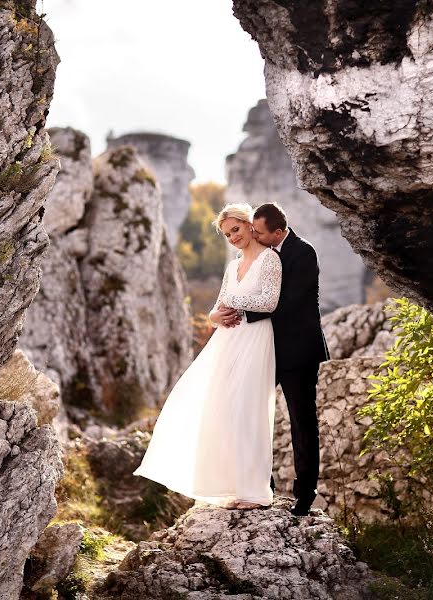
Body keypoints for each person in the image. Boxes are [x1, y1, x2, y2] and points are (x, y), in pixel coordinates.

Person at [133, 203, 282, 510]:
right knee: (221, 408)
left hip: (256, 338)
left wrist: (232, 300)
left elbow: (268, 303)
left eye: (236, 230)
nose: (233, 238)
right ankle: (229, 486)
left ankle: (253, 491)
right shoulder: (232, 266)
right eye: (227, 235)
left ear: (249, 224)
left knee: (247, 408)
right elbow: (214, 311)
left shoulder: (270, 260)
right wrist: (217, 314)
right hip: (227, 339)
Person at [218, 202, 329, 516]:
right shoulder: (259, 256)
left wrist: (238, 309)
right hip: (262, 345)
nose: (253, 234)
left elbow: (287, 303)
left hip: (297, 350)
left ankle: (304, 494)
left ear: (278, 232)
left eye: (259, 231)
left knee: (301, 421)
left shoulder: (302, 253)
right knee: (247, 410)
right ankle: (256, 485)